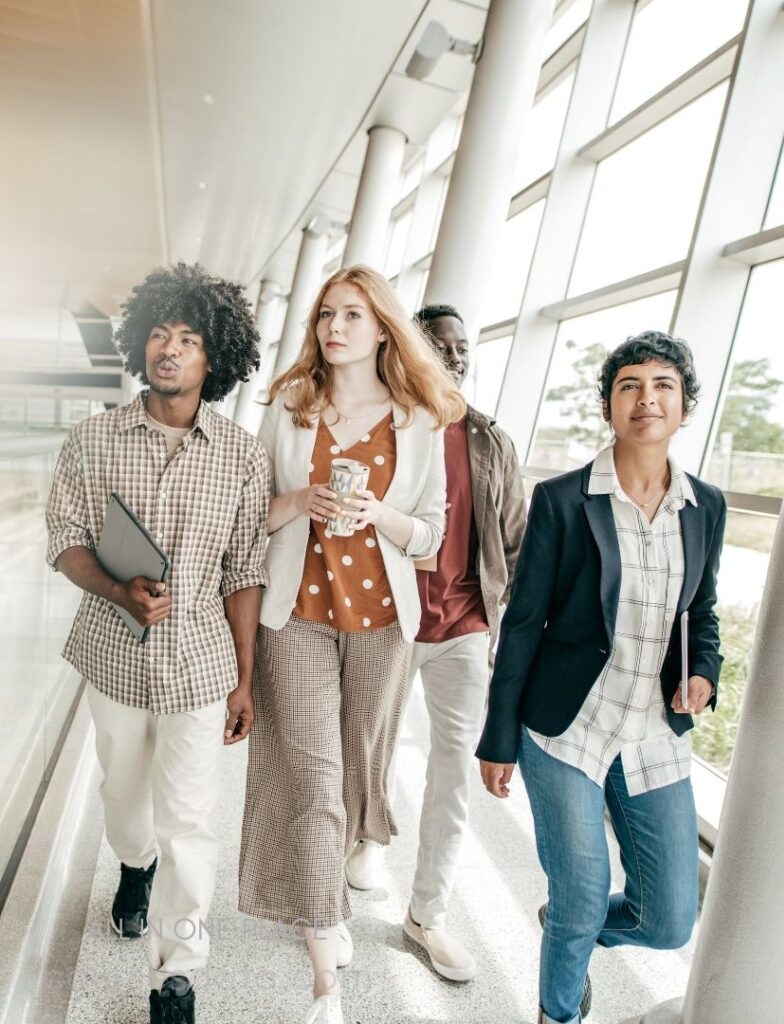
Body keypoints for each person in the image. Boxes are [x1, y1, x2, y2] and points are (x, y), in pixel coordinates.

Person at [476, 331, 727, 1024]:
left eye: (662, 386)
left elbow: (700, 612)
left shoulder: (707, 506)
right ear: (609, 407)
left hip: (653, 734)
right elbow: (522, 625)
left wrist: (701, 673)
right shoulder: (562, 500)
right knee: (585, 893)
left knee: (670, 920)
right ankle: (559, 1012)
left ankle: (570, 925)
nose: (646, 398)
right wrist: (497, 738)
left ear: (685, 406)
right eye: (629, 386)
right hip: (566, 728)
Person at [238, 265, 464, 1024]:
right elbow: (251, 520)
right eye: (326, 315)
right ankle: (324, 977)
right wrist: (302, 498)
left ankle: (331, 886)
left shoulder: (421, 421)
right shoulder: (290, 408)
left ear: (382, 329)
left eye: (352, 316)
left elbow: (431, 537)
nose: (335, 328)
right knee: (310, 776)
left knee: (354, 773)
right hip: (294, 617)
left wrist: (378, 514)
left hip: (381, 626)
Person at [45, 263, 270, 1024]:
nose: (168, 349)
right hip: (112, 657)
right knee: (125, 807)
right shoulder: (92, 439)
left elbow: (245, 570)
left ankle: (178, 972)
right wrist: (117, 590)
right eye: (159, 334)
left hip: (201, 666)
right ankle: (132, 867)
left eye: (189, 338)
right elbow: (67, 541)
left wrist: (244, 679)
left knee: (190, 823)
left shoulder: (242, 454)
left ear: (217, 360)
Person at [357, 303, 526, 981]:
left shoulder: (490, 440)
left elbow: (512, 540)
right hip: (389, 619)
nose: (453, 356)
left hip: (463, 627)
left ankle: (427, 914)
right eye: (439, 344)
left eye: (461, 347)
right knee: (364, 750)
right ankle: (365, 839)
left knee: (452, 772)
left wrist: (498, 614)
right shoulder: (381, 426)